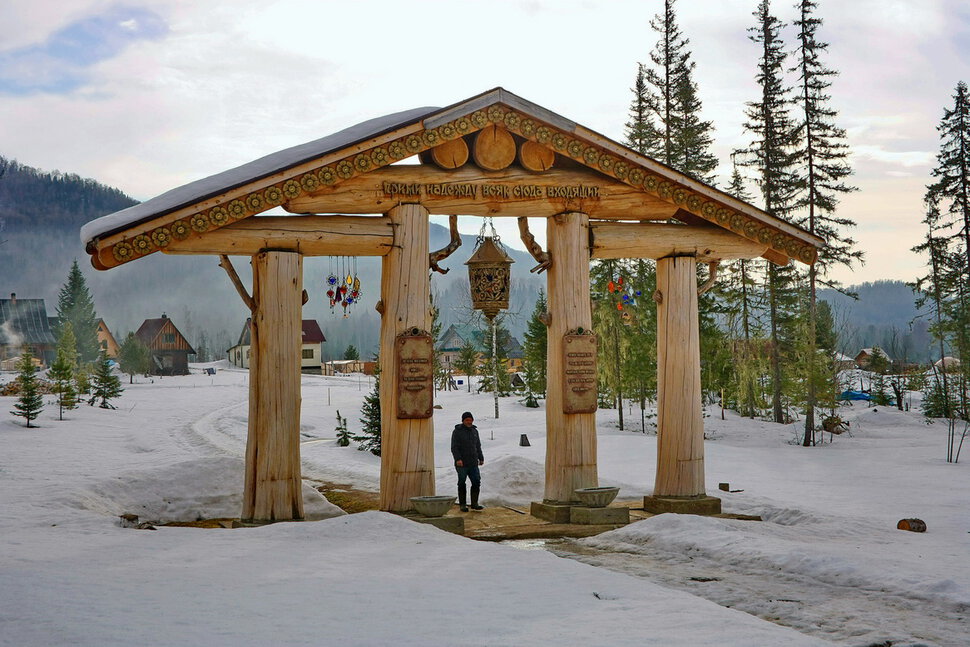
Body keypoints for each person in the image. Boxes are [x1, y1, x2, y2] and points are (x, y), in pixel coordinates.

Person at [451, 411, 484, 512]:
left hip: (473, 462)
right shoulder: (457, 431)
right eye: (467, 420)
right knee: (462, 483)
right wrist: (458, 459)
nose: (469, 422)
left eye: (470, 420)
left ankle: (474, 503)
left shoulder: (474, 431)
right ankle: (463, 504)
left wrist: (481, 457)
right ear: (463, 421)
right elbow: (454, 447)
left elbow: (478, 446)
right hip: (462, 463)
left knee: (476, 482)